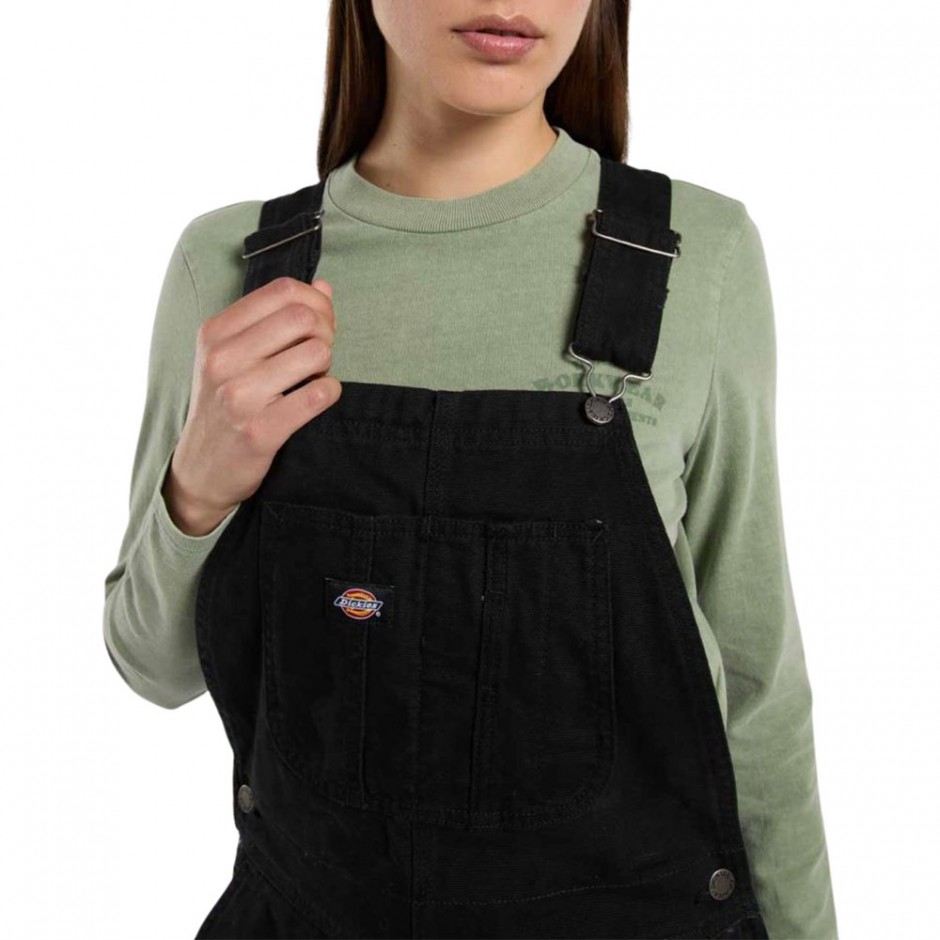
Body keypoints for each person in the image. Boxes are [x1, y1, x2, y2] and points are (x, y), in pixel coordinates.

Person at [101, 2, 838, 937]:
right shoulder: (234, 268)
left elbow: (757, 681)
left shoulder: (700, 252)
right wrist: (200, 485)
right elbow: (154, 668)